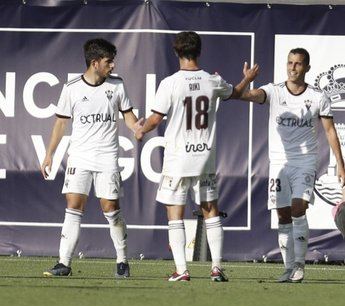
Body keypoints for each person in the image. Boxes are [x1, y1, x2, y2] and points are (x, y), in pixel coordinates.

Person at [135, 31, 259, 282]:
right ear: (199, 51)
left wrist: (140, 129)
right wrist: (246, 79)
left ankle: (182, 270)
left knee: (175, 213)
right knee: (210, 209)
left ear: (176, 53)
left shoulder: (170, 83)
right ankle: (216, 268)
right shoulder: (212, 80)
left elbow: (155, 119)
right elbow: (234, 94)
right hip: (204, 157)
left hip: (178, 158)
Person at [240, 48, 345, 283]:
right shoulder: (274, 91)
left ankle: (299, 265)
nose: (293, 67)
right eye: (290, 63)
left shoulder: (318, 97)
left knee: (299, 208)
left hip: (305, 162)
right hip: (278, 163)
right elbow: (246, 96)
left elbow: (330, 132)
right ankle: (288, 268)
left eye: (298, 64)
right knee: (283, 215)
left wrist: (341, 164)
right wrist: (247, 80)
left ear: (307, 68)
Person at [41, 38, 142, 278]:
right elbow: (61, 123)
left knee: (111, 209)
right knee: (73, 206)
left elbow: (128, 116)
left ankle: (122, 261)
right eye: (109, 61)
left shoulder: (117, 85)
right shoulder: (72, 87)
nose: (113, 65)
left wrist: (137, 128)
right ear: (94, 63)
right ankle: (63, 263)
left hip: (107, 156)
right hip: (79, 157)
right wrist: (49, 155)